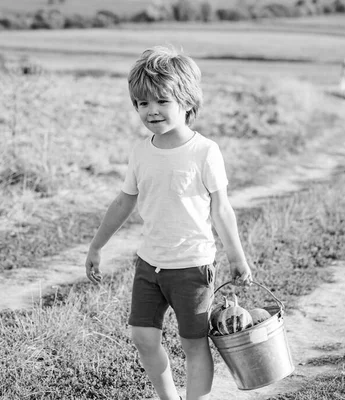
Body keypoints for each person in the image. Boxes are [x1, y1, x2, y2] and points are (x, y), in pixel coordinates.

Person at [84, 46, 253, 400]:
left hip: (192, 266)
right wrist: (97, 246)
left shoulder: (204, 151)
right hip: (149, 264)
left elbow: (222, 209)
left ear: (187, 102)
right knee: (143, 337)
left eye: (161, 101)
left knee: (193, 344)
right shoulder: (141, 151)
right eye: (142, 103)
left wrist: (237, 258)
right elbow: (123, 201)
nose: (151, 111)